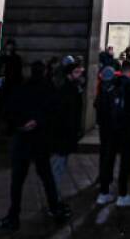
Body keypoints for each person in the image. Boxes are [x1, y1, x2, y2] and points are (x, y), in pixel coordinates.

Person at [0, 60, 70, 231]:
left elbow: (8, 111)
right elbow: (55, 113)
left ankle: (13, 216)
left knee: (17, 181)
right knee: (47, 177)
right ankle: (54, 207)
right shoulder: (49, 89)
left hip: (22, 139)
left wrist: (21, 124)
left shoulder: (22, 88)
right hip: (40, 141)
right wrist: (37, 121)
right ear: (44, 72)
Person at [95, 65, 130, 205]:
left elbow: (98, 108)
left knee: (108, 159)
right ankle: (122, 194)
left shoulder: (103, 88)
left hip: (108, 130)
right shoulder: (126, 85)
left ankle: (104, 192)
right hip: (123, 129)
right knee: (124, 161)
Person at [50, 56, 85, 189]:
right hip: (63, 133)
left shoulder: (72, 88)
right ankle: (53, 197)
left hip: (66, 133)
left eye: (79, 72)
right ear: (69, 74)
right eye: (76, 72)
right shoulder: (67, 89)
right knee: (58, 165)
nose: (79, 74)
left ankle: (54, 194)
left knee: (61, 164)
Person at [0, 39, 22, 137]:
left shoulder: (16, 59)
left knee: (6, 113)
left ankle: (2, 132)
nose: (9, 49)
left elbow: (17, 77)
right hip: (0, 90)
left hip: (9, 90)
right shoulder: (1, 59)